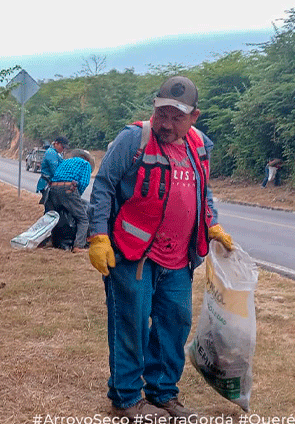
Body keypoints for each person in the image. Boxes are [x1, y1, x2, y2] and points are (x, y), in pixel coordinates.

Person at [88, 76, 234, 420]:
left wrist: (211, 221)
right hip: (133, 253)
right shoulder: (132, 139)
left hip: (181, 258)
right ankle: (125, 399)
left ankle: (163, 394)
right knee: (131, 326)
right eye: (161, 114)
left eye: (176, 117)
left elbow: (203, 192)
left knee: (174, 326)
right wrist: (97, 236)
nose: (166, 124)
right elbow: (104, 186)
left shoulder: (199, 146)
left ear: (194, 117)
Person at [44, 149, 93, 253]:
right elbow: (83, 183)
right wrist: (76, 199)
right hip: (68, 189)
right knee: (83, 219)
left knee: (53, 216)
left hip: (52, 189)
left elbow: (55, 175)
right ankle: (78, 246)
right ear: (87, 158)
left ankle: (48, 240)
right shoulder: (85, 164)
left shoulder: (65, 162)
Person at [36, 136, 68, 208]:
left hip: (52, 183)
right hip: (47, 183)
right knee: (51, 208)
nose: (63, 149)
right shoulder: (51, 153)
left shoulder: (58, 153)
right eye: (62, 147)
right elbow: (55, 171)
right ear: (56, 143)